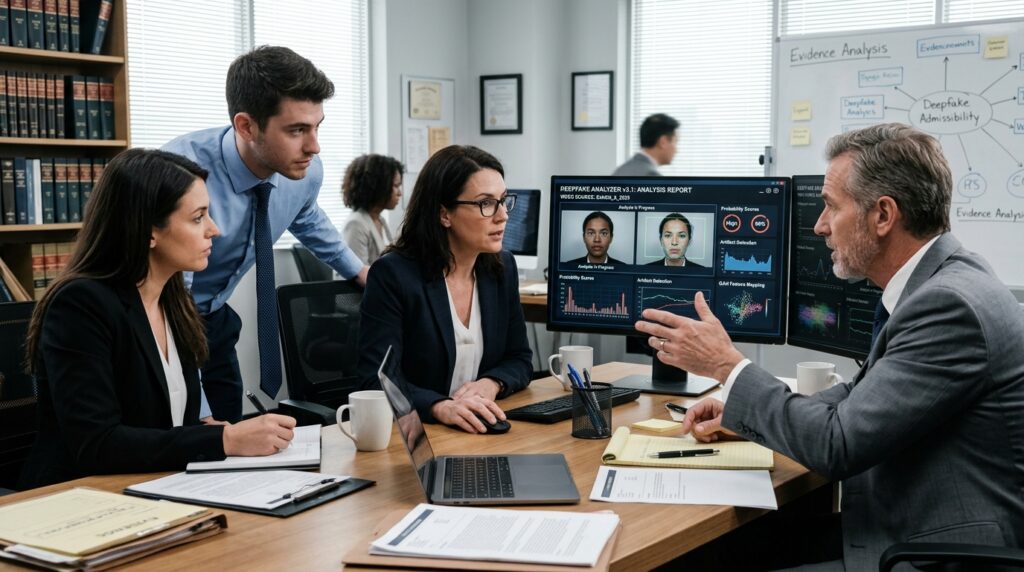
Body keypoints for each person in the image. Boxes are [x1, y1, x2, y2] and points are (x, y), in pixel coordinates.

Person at [635, 123, 1024, 570]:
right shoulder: (948, 277)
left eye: (830, 207)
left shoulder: (947, 305)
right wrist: (743, 412)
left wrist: (729, 367)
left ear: (883, 215)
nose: (819, 226)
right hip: (898, 525)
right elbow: (863, 395)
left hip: (929, 553)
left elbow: (837, 444)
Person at [19, 149, 297, 489]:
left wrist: (214, 433)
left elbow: (165, 424)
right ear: (149, 231)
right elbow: (96, 444)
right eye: (198, 218)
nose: (215, 230)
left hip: (161, 485)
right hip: (80, 498)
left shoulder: (174, 298)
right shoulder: (80, 305)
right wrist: (224, 441)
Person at [163, 46, 369, 423]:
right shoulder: (181, 174)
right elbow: (172, 298)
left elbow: (306, 217)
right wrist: (202, 415)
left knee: (232, 441)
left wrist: (359, 271)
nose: (314, 146)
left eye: (317, 126)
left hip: (216, 319)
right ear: (246, 126)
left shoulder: (305, 170)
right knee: (196, 435)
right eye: (297, 130)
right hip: (164, 320)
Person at [357, 145, 532, 434]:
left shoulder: (502, 268)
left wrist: (491, 383)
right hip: (421, 436)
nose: (502, 216)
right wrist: (439, 406)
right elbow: (376, 380)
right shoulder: (394, 275)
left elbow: (519, 359)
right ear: (444, 214)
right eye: (486, 204)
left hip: (481, 430)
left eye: (503, 201)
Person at [342, 154, 405, 265]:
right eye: (396, 186)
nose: (400, 193)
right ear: (378, 187)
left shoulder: (380, 220)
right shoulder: (356, 224)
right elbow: (357, 274)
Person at [612, 113, 679, 176]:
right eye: (675, 142)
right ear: (663, 142)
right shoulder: (651, 175)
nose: (676, 150)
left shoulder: (620, 170)